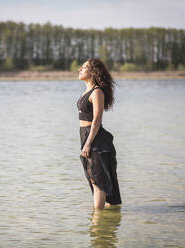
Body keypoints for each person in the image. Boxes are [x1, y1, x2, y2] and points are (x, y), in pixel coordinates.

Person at [77, 58, 122, 210]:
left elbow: (97, 120)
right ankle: (102, 216)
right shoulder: (88, 91)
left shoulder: (97, 92)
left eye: (84, 67)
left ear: (93, 72)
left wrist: (89, 142)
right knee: (94, 180)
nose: (80, 70)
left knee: (99, 183)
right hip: (86, 135)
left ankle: (98, 222)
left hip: (95, 138)